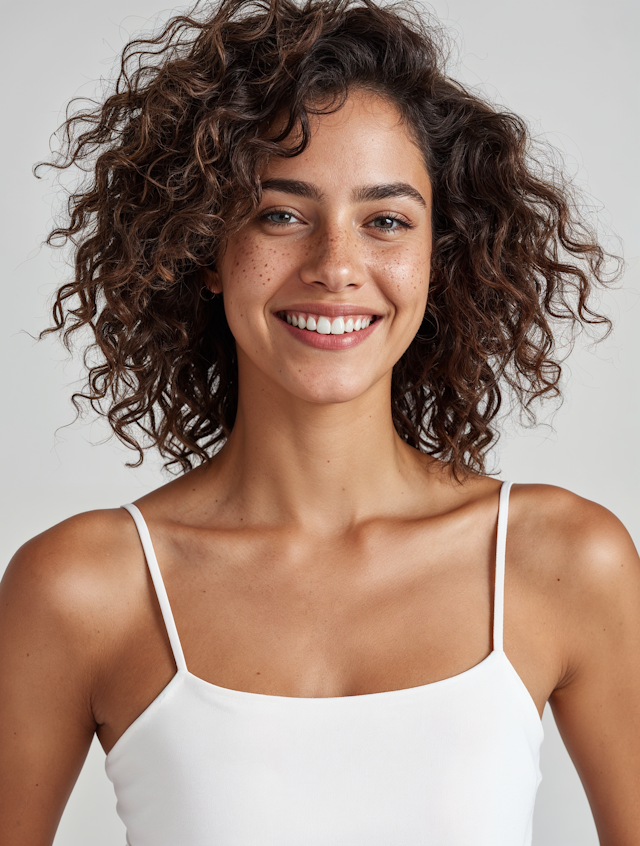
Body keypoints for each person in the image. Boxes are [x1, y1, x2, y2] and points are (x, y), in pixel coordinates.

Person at [1, 0, 639, 843]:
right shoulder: (80, 589)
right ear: (204, 251)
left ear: (437, 260)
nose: (337, 266)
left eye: (385, 221)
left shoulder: (564, 562)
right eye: (280, 213)